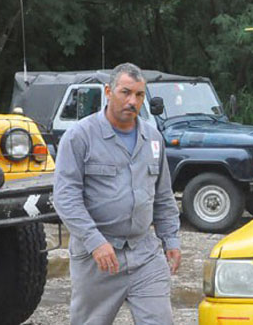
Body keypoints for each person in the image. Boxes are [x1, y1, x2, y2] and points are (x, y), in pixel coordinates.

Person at [53, 63, 181, 325]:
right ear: (109, 91)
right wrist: (94, 241)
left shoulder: (153, 139)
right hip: (98, 258)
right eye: (125, 92)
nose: (132, 101)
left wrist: (171, 240)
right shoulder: (80, 137)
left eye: (139, 95)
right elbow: (66, 198)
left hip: (144, 253)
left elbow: (164, 197)